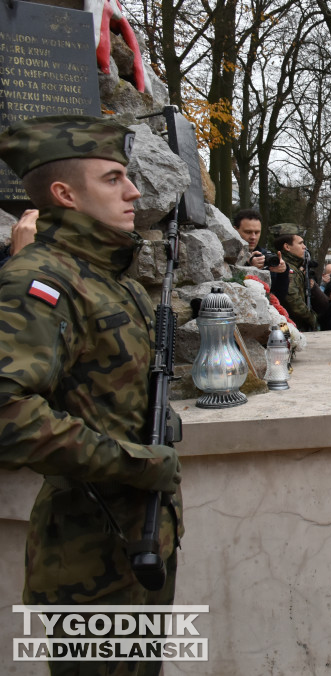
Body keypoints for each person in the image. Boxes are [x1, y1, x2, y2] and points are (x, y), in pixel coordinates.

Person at [0, 115, 183, 672]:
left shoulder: (110, 278)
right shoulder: (42, 281)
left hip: (141, 540)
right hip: (88, 562)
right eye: (112, 179)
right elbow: (8, 413)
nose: (132, 191)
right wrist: (133, 463)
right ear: (65, 194)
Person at [272, 224, 319, 332]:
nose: (304, 247)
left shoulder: (293, 267)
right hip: (289, 327)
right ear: (287, 247)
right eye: (300, 243)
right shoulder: (287, 269)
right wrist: (312, 318)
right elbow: (293, 302)